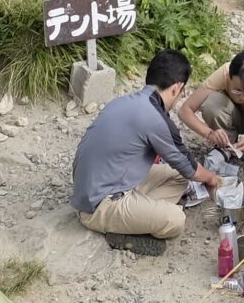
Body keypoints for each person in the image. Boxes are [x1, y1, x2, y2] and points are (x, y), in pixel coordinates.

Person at [69, 51, 223, 251]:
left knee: (178, 177)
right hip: (99, 205)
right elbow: (187, 165)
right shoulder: (155, 118)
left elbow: (183, 169)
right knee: (175, 220)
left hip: (96, 186)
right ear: (177, 88)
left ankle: (139, 214)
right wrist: (212, 179)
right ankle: (124, 228)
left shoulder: (124, 101)